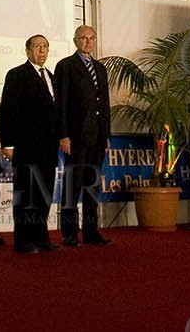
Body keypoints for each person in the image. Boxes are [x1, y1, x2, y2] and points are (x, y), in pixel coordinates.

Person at [0, 34, 60, 253]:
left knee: (44, 195)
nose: (42, 51)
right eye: (37, 47)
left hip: (48, 148)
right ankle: (23, 240)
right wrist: (8, 143)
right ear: (27, 51)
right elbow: (7, 110)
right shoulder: (17, 75)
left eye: (45, 47)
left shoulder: (52, 77)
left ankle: (41, 237)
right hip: (25, 147)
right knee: (26, 194)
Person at [56, 24, 113, 245]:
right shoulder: (66, 66)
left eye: (92, 38)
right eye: (83, 38)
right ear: (75, 41)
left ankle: (91, 232)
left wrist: (106, 134)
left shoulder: (100, 68)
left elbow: (105, 104)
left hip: (97, 137)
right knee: (73, 185)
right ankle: (69, 233)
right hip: (75, 137)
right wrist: (63, 135)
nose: (88, 42)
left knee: (92, 186)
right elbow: (60, 103)